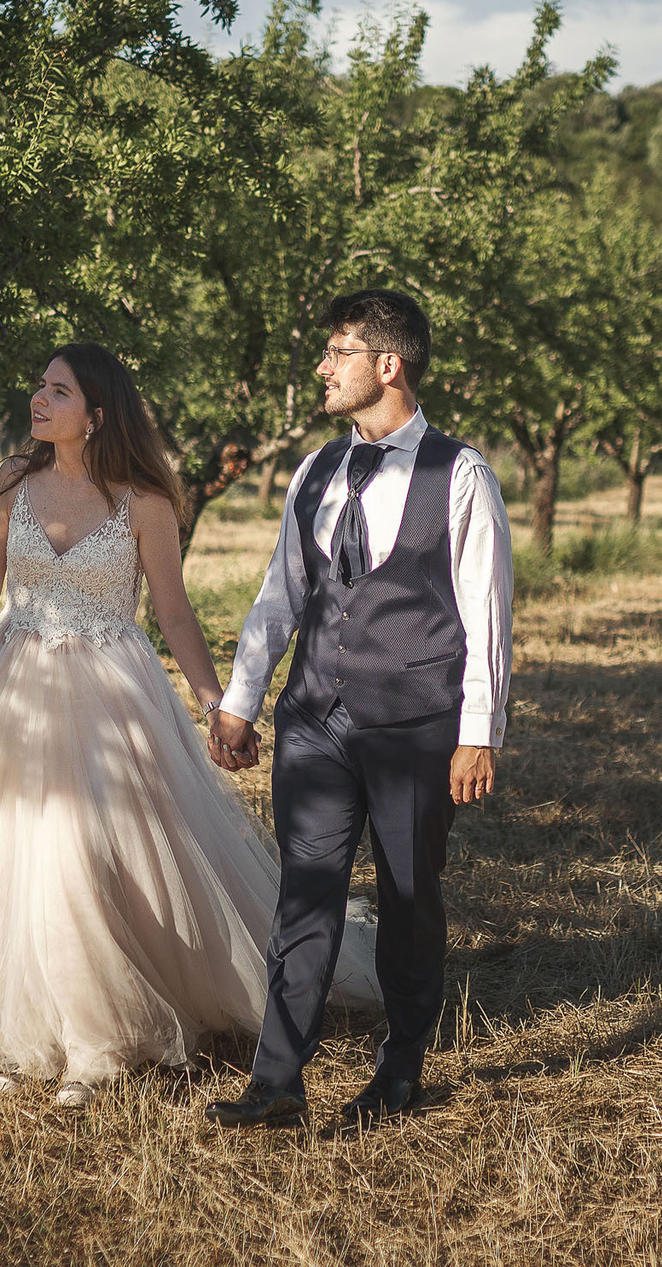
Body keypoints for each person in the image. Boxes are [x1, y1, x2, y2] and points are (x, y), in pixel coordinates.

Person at [0, 342, 378, 1107]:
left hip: (111, 694)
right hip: (18, 690)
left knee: (82, 854)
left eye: (59, 391)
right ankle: (30, 1026)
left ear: (98, 413)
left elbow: (174, 613)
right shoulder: (14, 482)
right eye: (40, 387)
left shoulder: (144, 501)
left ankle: (94, 1042)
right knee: (19, 855)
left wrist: (219, 706)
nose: (38, 400)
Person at [203, 289, 512, 1129]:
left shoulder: (461, 473)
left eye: (337, 352)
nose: (322, 367)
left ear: (388, 364)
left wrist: (477, 733)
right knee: (305, 892)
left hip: (416, 724)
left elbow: (487, 614)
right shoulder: (316, 469)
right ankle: (278, 1082)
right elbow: (281, 594)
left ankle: (401, 1068)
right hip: (315, 717)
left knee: (411, 896)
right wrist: (242, 699)